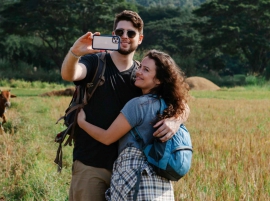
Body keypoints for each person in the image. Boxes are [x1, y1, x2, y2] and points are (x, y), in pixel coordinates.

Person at [61, 10, 190, 201]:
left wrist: (175, 121)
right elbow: (69, 74)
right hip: (91, 165)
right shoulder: (96, 63)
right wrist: (75, 52)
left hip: (128, 172)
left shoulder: (141, 78)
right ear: (113, 35)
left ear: (140, 39)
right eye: (119, 32)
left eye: (131, 33)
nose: (124, 37)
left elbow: (179, 103)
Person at [77, 49, 189, 200]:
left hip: (136, 183)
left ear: (158, 80)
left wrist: (82, 123)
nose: (138, 72)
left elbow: (107, 137)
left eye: (146, 70)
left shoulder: (138, 105)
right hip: (160, 188)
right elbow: (185, 108)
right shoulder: (170, 105)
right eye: (140, 67)